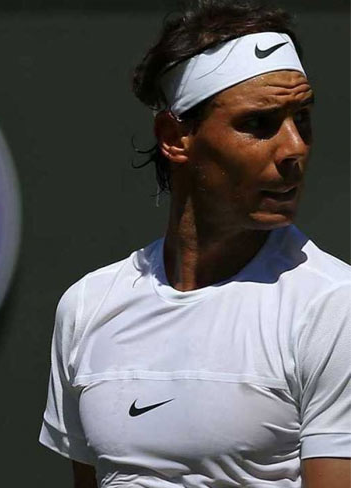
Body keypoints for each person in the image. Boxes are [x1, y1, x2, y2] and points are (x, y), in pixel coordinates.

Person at [37, 1, 351, 487]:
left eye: (302, 119)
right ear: (175, 137)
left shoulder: (334, 307)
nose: (294, 148)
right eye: (259, 123)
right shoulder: (86, 307)